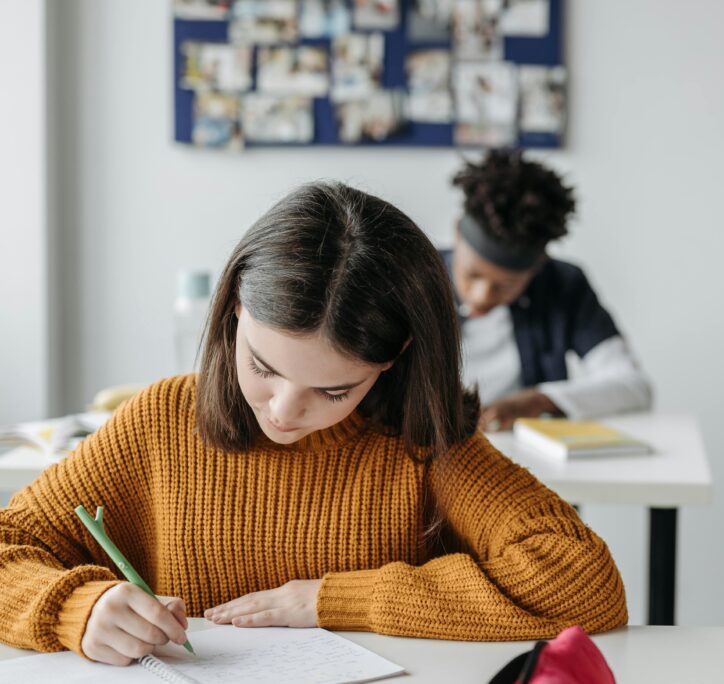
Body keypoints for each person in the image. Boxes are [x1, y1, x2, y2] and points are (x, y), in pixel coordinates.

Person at [0, 182, 627, 666]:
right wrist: (78, 609)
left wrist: (335, 599)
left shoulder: (424, 441)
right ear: (235, 310)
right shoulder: (164, 420)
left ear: (394, 358)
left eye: (333, 390)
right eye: (263, 367)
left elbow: (583, 582)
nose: (283, 410)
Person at [446, 150, 653, 431]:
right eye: (472, 274)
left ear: (538, 266)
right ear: (457, 234)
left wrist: (539, 401)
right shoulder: (409, 279)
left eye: (506, 285)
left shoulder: (563, 284)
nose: (482, 295)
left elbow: (633, 386)